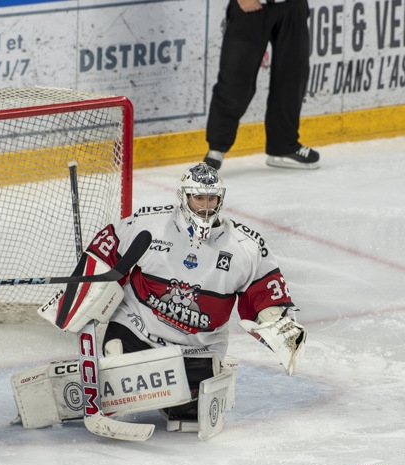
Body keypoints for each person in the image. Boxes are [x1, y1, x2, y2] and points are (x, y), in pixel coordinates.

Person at [16, 163, 306, 435]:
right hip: (136, 331)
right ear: (184, 197)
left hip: (197, 350)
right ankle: (111, 379)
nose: (205, 207)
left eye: (211, 199)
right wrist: (82, 293)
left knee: (188, 421)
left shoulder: (245, 247)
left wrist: (276, 324)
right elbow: (107, 248)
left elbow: (267, 291)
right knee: (117, 365)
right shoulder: (149, 225)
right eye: (198, 198)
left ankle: (191, 387)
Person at [203, 0, 319, 171]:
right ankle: (216, 148)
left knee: (292, 77)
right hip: (251, 7)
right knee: (235, 79)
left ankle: (284, 145)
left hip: (292, 7)